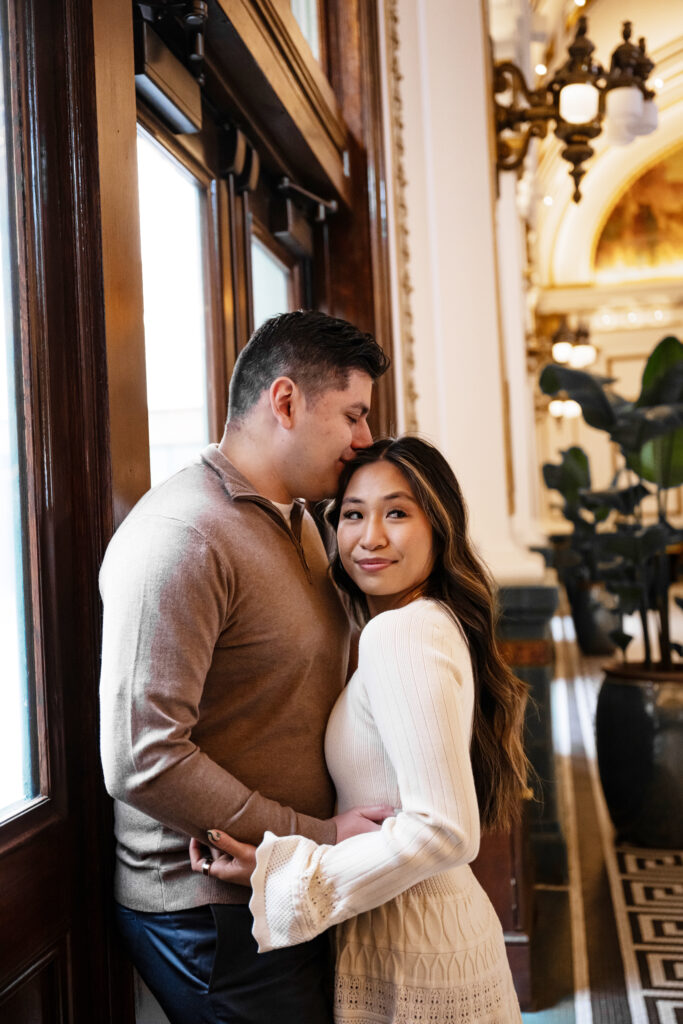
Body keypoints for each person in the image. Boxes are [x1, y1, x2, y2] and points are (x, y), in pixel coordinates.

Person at [99, 310, 392, 1024]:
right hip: (211, 914)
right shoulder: (184, 535)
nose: (364, 440)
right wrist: (313, 835)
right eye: (352, 415)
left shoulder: (302, 521)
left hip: (289, 878)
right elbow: (140, 757)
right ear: (285, 401)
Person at [194, 436, 530, 1023]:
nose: (369, 537)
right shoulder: (421, 623)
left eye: (396, 513)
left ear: (440, 526)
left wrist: (284, 875)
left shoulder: (399, 634)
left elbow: (447, 833)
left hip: (419, 953)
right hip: (412, 938)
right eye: (353, 514)